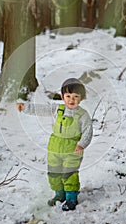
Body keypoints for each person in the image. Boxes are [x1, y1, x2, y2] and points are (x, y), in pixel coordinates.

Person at [17, 78, 93, 211]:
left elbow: (88, 131)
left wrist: (81, 145)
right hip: (55, 146)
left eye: (76, 97)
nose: (71, 100)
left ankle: (71, 198)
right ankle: (59, 194)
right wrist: (25, 107)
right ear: (63, 96)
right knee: (54, 172)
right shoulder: (58, 109)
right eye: (68, 96)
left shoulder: (83, 115)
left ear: (81, 98)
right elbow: (41, 109)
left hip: (72, 148)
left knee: (69, 174)